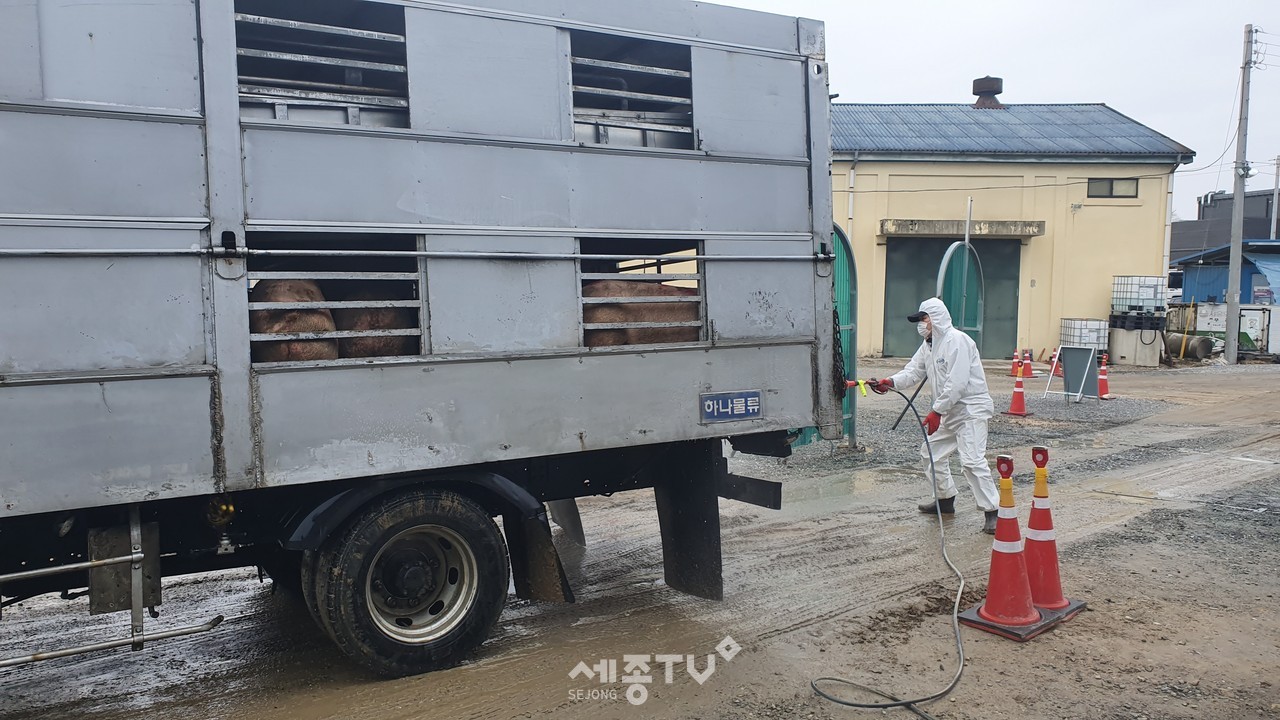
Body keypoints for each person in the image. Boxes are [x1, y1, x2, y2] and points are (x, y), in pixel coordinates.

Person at [867, 298, 1000, 534]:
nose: (920, 324)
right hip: (948, 411)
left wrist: (937, 411)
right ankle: (945, 500)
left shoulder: (957, 341)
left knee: (972, 461)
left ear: (936, 318)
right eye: (919, 320)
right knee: (931, 453)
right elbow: (913, 371)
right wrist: (891, 382)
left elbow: (957, 383)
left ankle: (993, 512)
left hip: (970, 410)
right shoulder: (928, 345)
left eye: (923, 319)